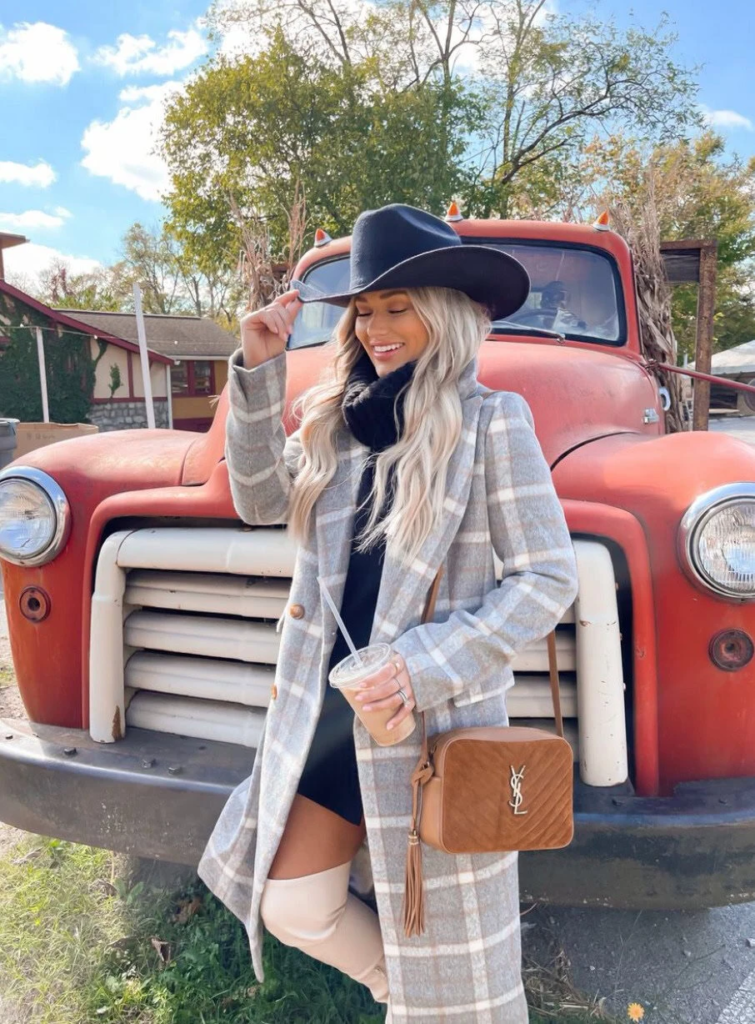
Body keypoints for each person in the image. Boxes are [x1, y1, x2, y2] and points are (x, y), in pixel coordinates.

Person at [198, 204, 579, 1022]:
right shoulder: (335, 419)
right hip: (329, 714)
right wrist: (261, 369)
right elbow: (259, 500)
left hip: (423, 718)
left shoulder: (490, 422)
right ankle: (397, 993)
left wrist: (419, 663)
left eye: (397, 307)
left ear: (442, 311)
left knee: (441, 925)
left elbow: (546, 577)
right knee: (293, 904)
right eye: (364, 311)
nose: (376, 327)